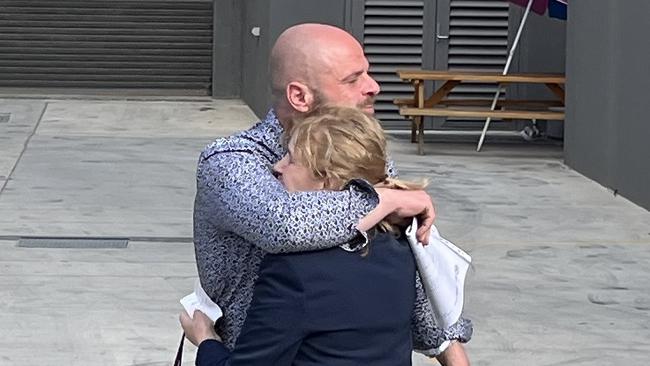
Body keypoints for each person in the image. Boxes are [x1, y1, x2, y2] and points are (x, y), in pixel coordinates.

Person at [192, 22, 472, 362]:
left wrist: (452, 354)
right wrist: (386, 198)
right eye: (353, 80)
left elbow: (411, 275)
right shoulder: (231, 162)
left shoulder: (363, 153)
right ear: (300, 96)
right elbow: (286, 224)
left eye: (367, 73)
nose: (374, 87)